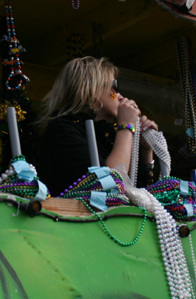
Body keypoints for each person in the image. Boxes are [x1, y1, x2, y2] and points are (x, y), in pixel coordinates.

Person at [37, 57, 157, 196]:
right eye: (114, 86)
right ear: (91, 90)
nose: (119, 95)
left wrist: (145, 151)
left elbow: (142, 192)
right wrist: (126, 127)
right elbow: (112, 183)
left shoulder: (109, 136)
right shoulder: (62, 130)